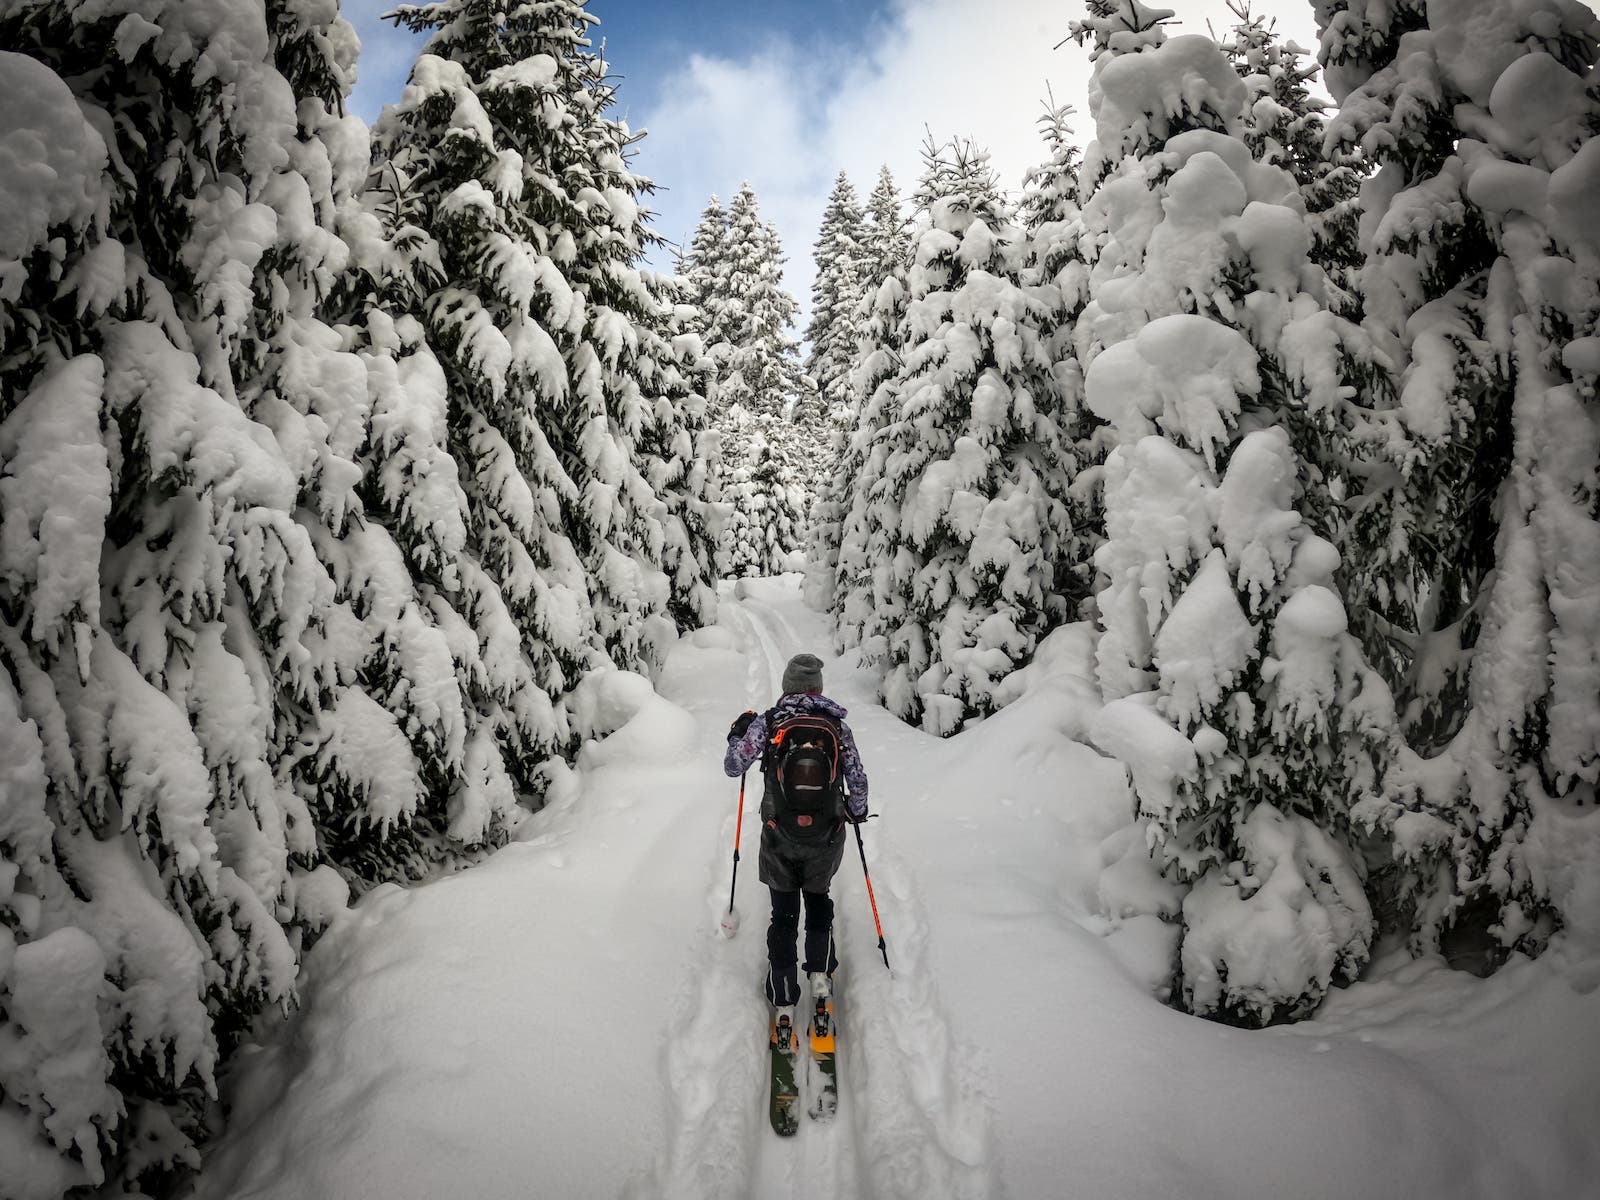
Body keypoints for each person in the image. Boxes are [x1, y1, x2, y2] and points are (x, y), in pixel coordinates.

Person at [724, 652, 869, 1021]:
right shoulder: (836, 726)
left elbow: (733, 765)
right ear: (818, 688)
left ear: (787, 687)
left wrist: (739, 733)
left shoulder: (771, 722)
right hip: (826, 836)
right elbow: (858, 782)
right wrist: (855, 811)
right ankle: (821, 980)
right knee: (819, 903)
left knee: (783, 914)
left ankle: (784, 994)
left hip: (778, 835)